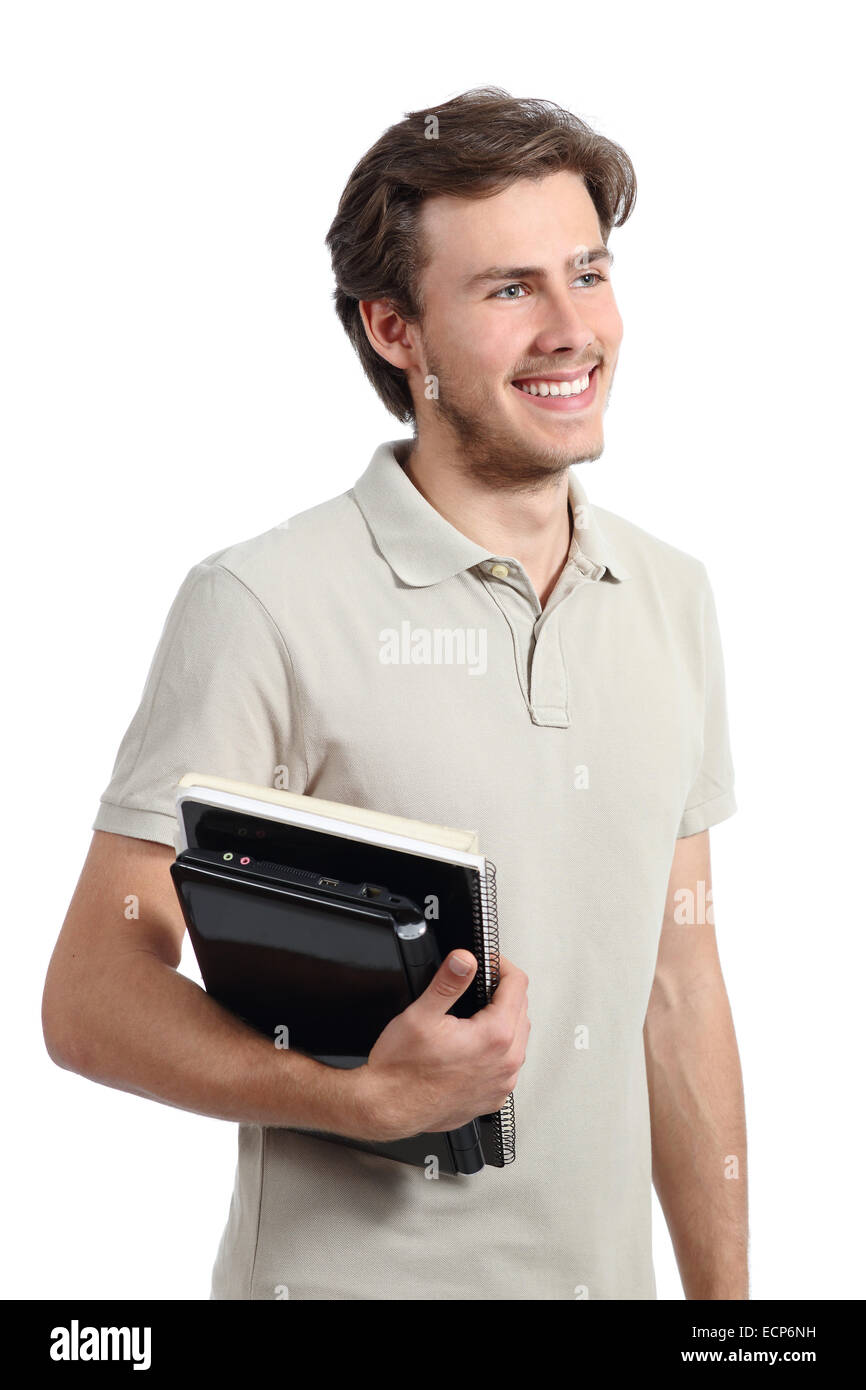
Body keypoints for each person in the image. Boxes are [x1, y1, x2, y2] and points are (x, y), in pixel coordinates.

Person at [42, 86, 747, 1300]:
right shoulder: (261, 602)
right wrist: (353, 1098)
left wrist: (728, 1323)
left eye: (587, 270)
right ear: (393, 330)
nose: (571, 329)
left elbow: (676, 990)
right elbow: (92, 994)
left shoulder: (669, 595)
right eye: (508, 290)